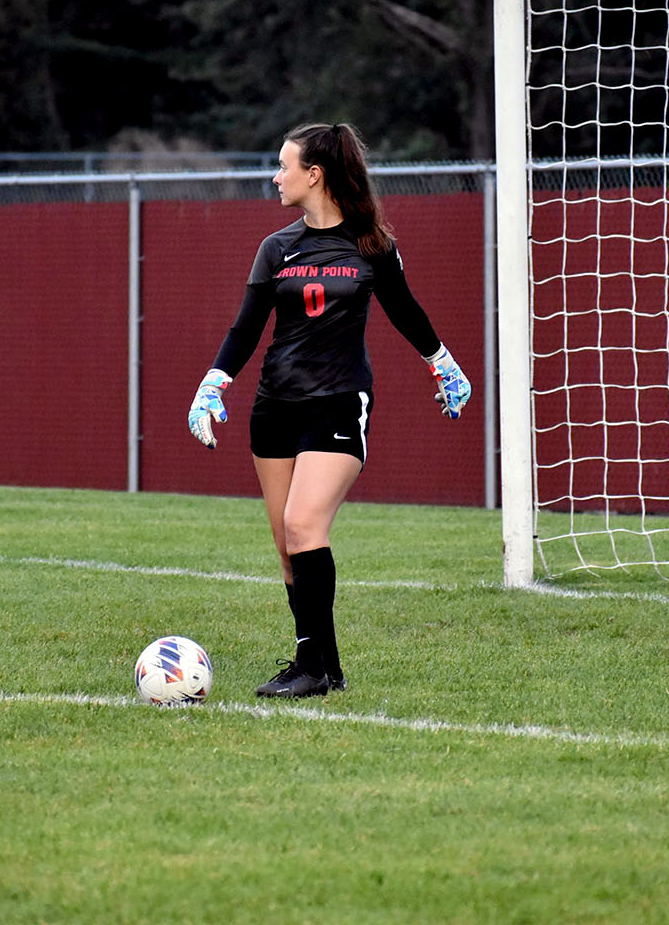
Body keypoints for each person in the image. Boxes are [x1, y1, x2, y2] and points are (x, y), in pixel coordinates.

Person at [186, 122, 472, 698]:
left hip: (338, 402)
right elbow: (246, 329)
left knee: (303, 525)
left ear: (314, 175)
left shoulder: (372, 244)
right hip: (274, 407)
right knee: (288, 550)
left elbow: (406, 311)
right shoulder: (276, 247)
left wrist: (443, 363)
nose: (276, 176)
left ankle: (312, 672)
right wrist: (213, 384)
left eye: (284, 166)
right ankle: (323, 667)